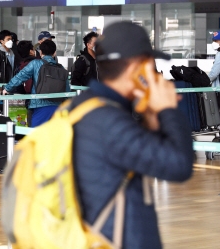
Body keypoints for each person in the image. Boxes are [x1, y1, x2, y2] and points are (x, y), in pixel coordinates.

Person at [71, 22, 194, 248]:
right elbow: (179, 164)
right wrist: (168, 109)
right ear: (135, 66)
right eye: (148, 63)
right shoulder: (107, 120)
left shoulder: (84, 107)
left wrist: (152, 120)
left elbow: (135, 155)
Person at [3, 40, 70, 127]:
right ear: (54, 53)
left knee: (35, 136)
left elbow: (20, 76)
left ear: (41, 52)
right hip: (57, 108)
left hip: (39, 106)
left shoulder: (35, 63)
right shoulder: (62, 69)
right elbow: (67, 91)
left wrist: (7, 88)